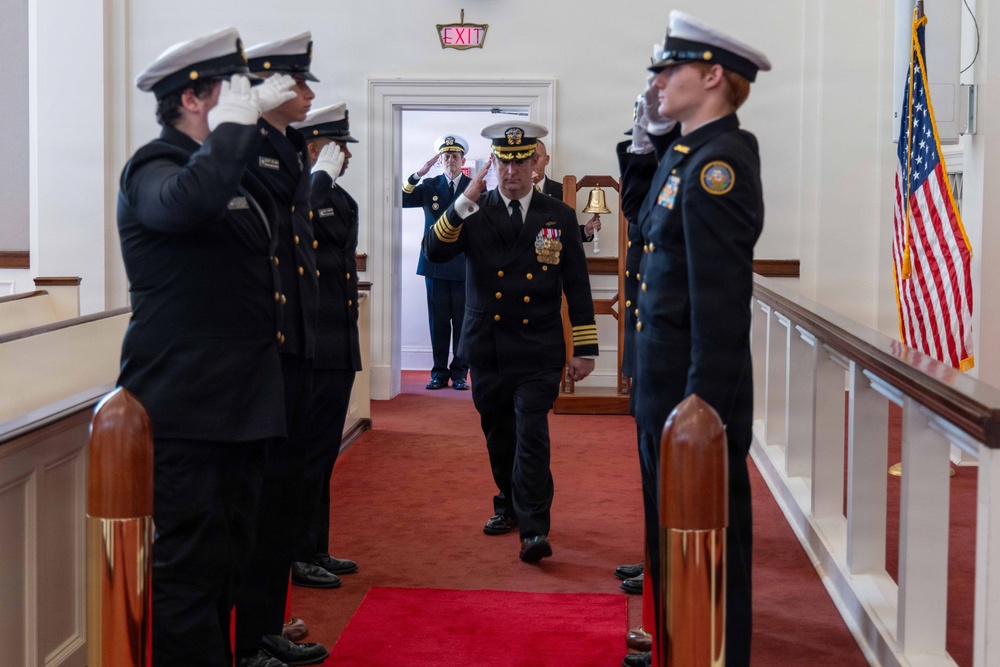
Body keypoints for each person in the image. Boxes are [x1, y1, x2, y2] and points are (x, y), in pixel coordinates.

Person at [118, 27, 295, 667]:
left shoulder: (225, 171)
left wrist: (260, 130)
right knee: (188, 576)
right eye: (232, 88)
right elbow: (186, 206)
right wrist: (237, 129)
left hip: (241, 407)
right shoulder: (154, 167)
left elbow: (281, 204)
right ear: (193, 99)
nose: (244, 98)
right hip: (186, 410)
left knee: (227, 565)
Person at [630, 11, 771, 667]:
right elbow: (644, 225)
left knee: (708, 545)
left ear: (713, 76)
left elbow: (719, 302)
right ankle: (677, 648)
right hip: (663, 385)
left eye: (670, 69)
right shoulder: (688, 154)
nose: (657, 82)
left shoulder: (721, 165)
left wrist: (702, 409)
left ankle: (712, 656)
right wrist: (645, 142)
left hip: (692, 397)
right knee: (671, 538)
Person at [422, 121, 598, 563]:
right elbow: (434, 252)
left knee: (532, 436)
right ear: (493, 163)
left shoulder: (559, 215)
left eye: (520, 162)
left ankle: (535, 529)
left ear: (535, 164)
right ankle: (509, 503)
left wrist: (585, 348)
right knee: (499, 437)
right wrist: (462, 202)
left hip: (538, 348)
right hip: (488, 347)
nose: (511, 171)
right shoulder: (473, 209)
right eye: (504, 162)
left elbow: (577, 285)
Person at [234, 31, 329, 667]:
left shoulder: (288, 148)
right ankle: (248, 639)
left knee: (282, 497)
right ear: (268, 86)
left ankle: (265, 626)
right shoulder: (248, 147)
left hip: (293, 345)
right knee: (260, 499)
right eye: (298, 83)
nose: (309, 94)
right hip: (265, 348)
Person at [289, 101, 362, 587]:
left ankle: (316, 545)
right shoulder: (298, 191)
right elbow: (297, 228)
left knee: (322, 453)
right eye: (339, 147)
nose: (347, 156)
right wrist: (316, 177)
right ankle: (296, 553)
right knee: (304, 455)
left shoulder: (339, 196)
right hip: (310, 344)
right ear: (314, 148)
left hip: (337, 343)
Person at [402, 135, 472, 390]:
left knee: (462, 323)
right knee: (438, 322)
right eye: (446, 157)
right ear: (440, 161)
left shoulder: (474, 186)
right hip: (434, 265)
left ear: (463, 160)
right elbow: (402, 199)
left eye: (455, 156)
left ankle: (460, 374)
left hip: (464, 265)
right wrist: (417, 174)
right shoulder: (429, 185)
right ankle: (439, 374)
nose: (450, 160)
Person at [532, 139, 601, 242]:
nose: (533, 162)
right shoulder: (514, 192)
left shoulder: (562, 190)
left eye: (538, 157)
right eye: (529, 157)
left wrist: (586, 231)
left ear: (547, 160)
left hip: (552, 250)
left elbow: (567, 229)